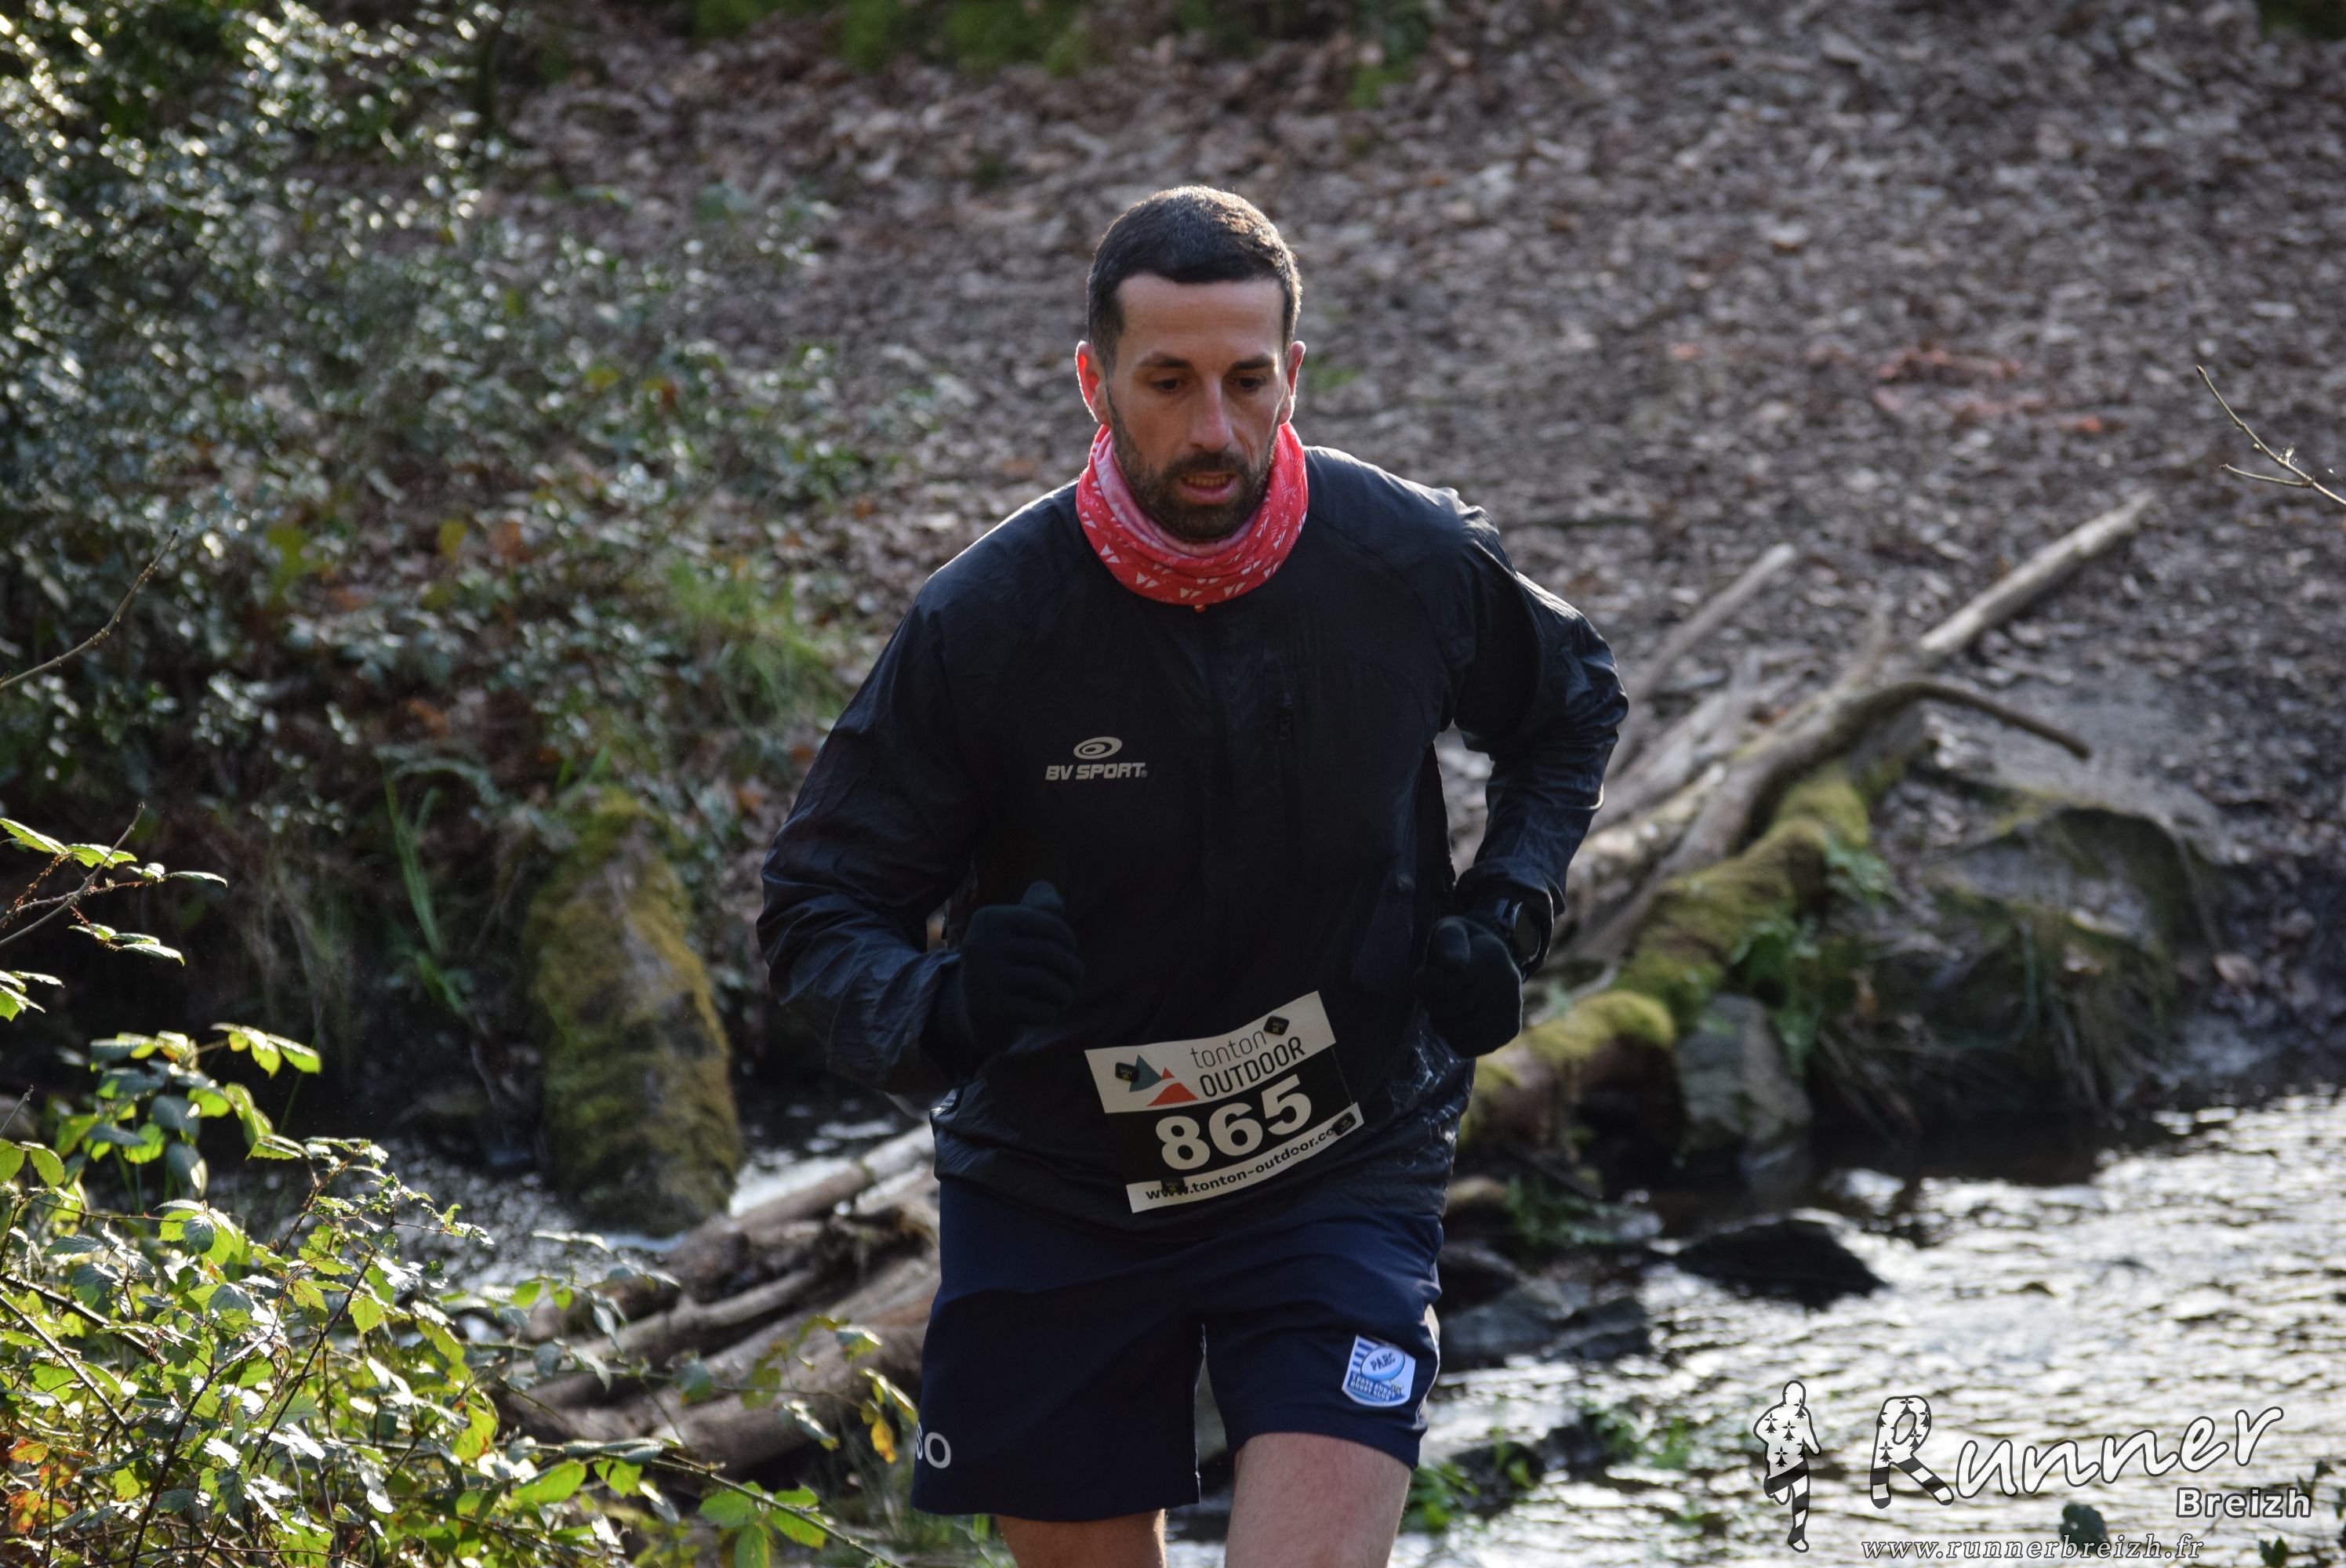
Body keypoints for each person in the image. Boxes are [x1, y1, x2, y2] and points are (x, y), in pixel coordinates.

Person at [759, 184, 1625, 1568]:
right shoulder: (987, 623)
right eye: (1169, 383)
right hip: (1059, 1181)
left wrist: (1506, 904)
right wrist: (946, 1004)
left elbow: (1570, 707)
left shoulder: (1406, 557)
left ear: (1295, 374)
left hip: (1343, 1154)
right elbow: (817, 913)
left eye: (1247, 381)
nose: (1214, 429)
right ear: (1094, 382)